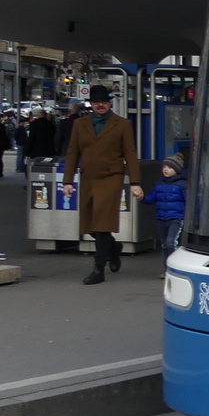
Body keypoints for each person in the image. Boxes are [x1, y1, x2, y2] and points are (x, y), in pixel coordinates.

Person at [60, 85, 141, 284]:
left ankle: (99, 268)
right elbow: (72, 153)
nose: (101, 105)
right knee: (89, 226)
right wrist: (68, 181)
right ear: (91, 104)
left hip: (110, 177)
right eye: (97, 102)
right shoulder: (80, 124)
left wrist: (135, 182)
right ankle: (114, 249)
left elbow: (130, 153)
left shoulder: (121, 124)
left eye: (104, 102)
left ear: (110, 103)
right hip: (88, 178)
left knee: (103, 223)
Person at [140, 151, 187, 263]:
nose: (166, 169)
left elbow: (188, 202)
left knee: (171, 242)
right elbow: (152, 198)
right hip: (161, 218)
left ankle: (175, 266)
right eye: (164, 166)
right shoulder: (158, 184)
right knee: (165, 244)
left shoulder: (182, 185)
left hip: (176, 218)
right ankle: (166, 268)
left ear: (177, 169)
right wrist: (141, 198)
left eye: (170, 167)